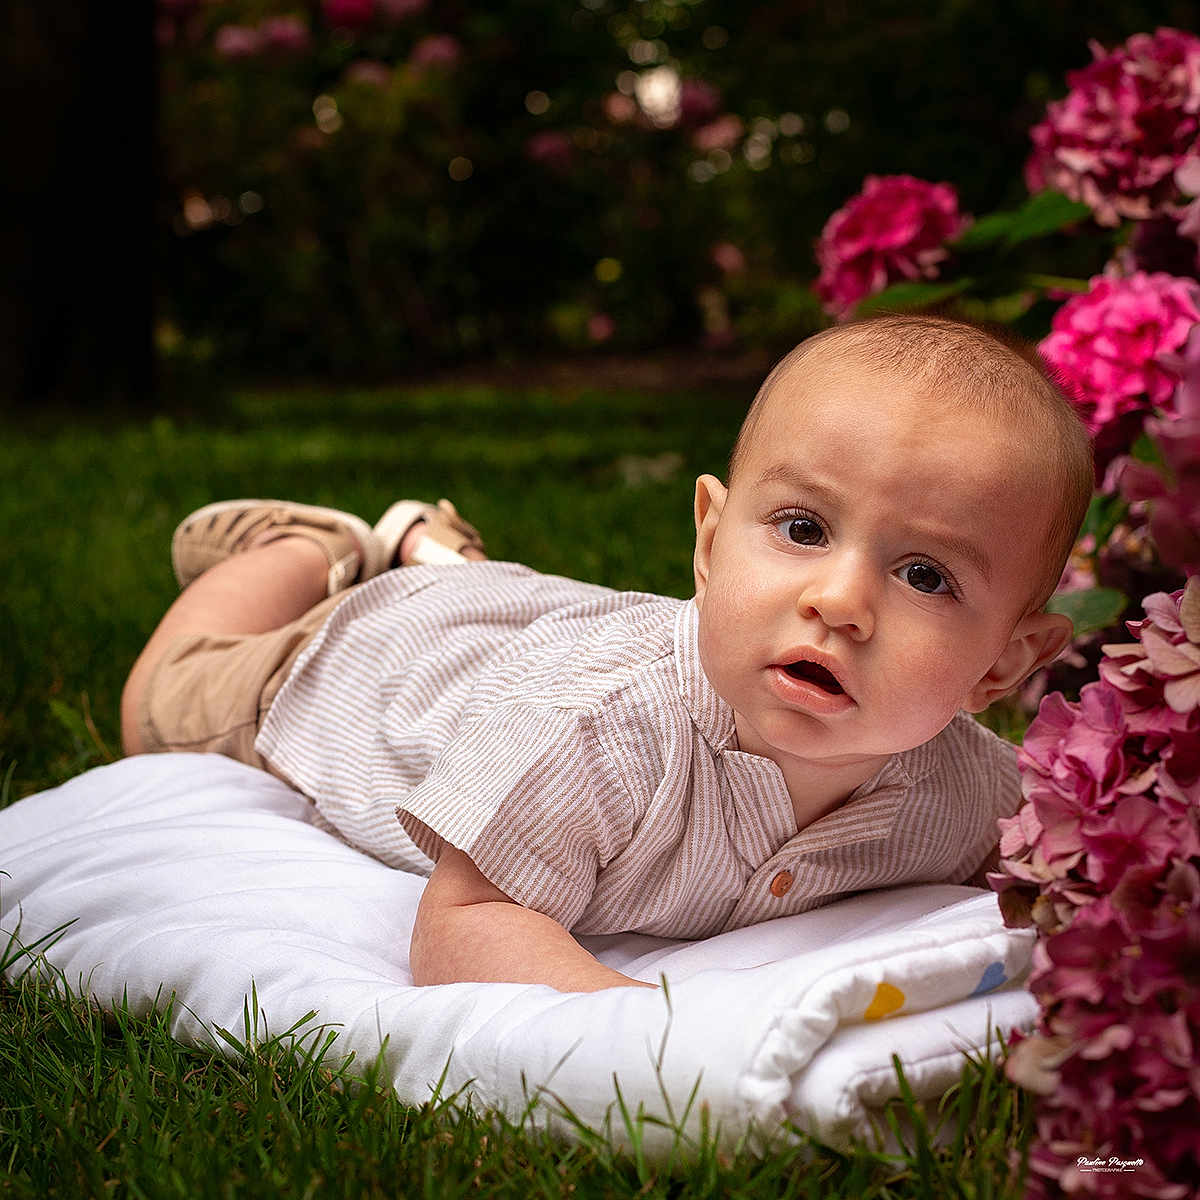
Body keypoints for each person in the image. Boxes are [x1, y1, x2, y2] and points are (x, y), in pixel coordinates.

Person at [120, 314, 1094, 993]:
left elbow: (1061, 885)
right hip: (363, 663)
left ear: (1002, 667)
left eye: (925, 576)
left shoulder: (969, 793)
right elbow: (464, 925)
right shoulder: (593, 736)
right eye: (802, 528)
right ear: (710, 542)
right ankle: (306, 548)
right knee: (160, 703)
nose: (839, 601)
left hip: (536, 629)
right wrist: (636, 1027)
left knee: (520, 621)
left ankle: (438, 552)